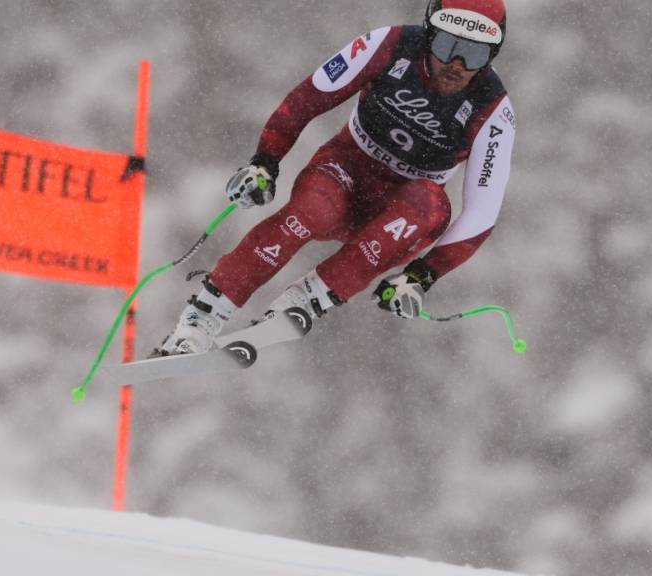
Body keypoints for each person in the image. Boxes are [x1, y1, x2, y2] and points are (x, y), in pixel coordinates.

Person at [158, 0, 517, 355]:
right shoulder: (389, 45)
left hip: (398, 212)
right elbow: (306, 99)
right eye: (446, 45)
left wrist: (422, 275)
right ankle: (198, 321)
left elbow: (483, 212)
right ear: (428, 34)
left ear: (494, 53)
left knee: (430, 204)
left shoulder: (493, 110)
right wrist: (266, 162)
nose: (456, 64)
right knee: (313, 211)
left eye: (474, 54)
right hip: (345, 170)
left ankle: (299, 304)